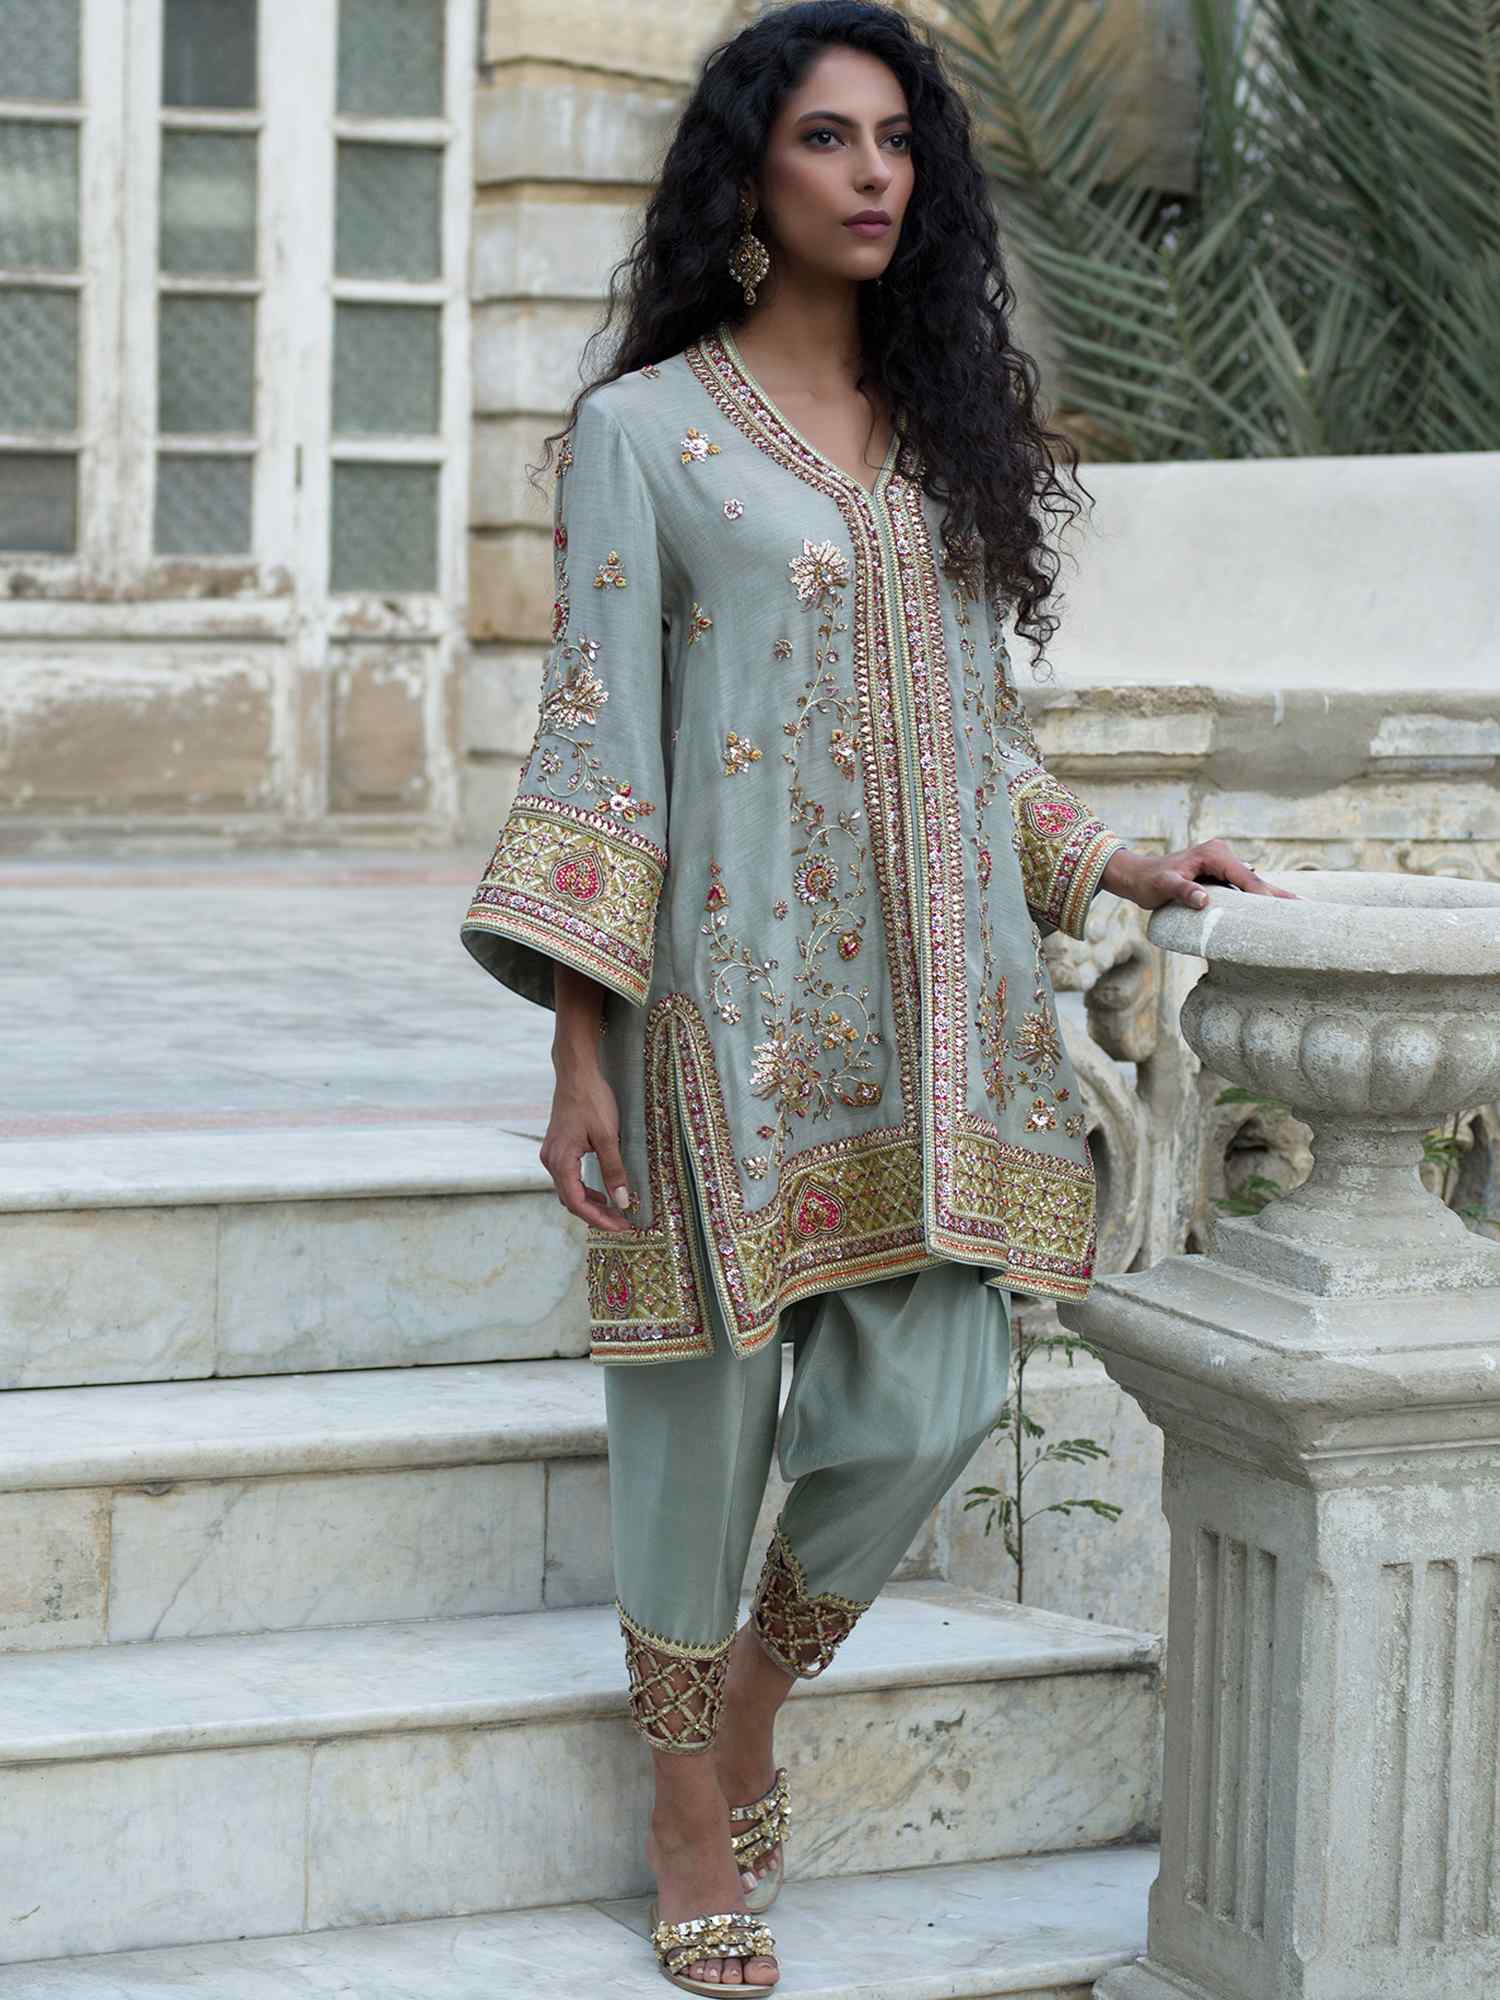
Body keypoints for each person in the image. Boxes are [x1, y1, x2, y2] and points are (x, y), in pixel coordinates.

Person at [460, 5, 1294, 1990]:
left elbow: (972, 740)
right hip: (710, 1007)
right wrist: (578, 1047)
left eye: (898, 141)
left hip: (934, 1025)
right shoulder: (642, 434)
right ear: (751, 172)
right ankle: (688, 1808)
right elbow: (599, 742)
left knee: (939, 1393)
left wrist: (1123, 865)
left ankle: (749, 1702)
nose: (872, 173)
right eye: (829, 137)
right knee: (698, 1422)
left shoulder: (939, 436)